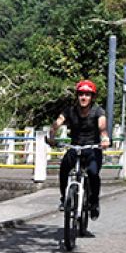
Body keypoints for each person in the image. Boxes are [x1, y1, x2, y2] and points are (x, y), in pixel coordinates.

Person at [47, 79, 111, 219]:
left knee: (93, 173)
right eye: (81, 94)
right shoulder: (70, 110)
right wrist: (52, 134)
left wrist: (105, 138)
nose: (84, 97)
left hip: (92, 148)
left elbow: (102, 126)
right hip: (75, 147)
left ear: (92, 97)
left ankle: (94, 202)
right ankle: (64, 197)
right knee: (64, 167)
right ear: (77, 95)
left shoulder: (98, 111)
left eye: (87, 94)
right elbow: (57, 122)